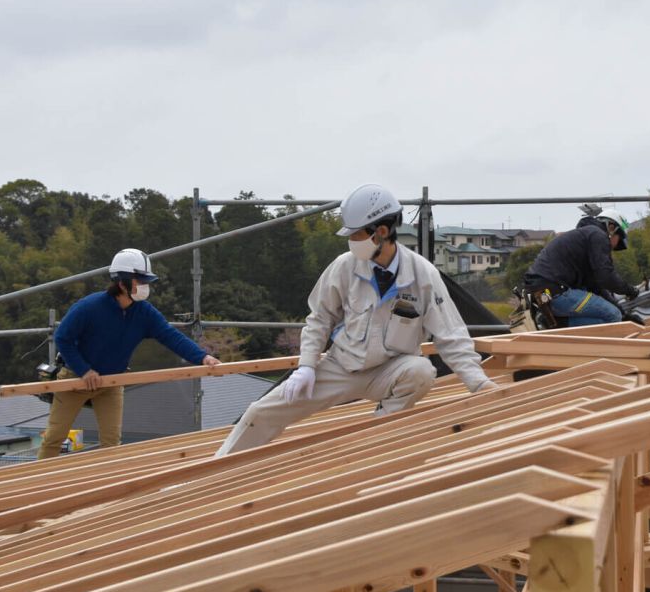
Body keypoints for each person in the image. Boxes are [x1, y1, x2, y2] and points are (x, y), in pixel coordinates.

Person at [216, 184, 497, 457]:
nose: (352, 241)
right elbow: (320, 318)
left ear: (382, 232)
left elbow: (450, 334)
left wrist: (479, 384)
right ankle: (217, 468)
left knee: (421, 371)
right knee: (260, 413)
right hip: (341, 367)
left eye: (357, 234)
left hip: (389, 370)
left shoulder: (422, 275)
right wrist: (306, 366)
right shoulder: (344, 266)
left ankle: (377, 439)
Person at [37, 249, 221, 459]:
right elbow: (63, 338)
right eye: (140, 281)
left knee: (112, 443)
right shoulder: (89, 307)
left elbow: (171, 336)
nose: (145, 286)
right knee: (54, 437)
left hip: (112, 382)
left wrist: (202, 357)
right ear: (122, 282)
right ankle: (33, 485)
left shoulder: (144, 312)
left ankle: (112, 487)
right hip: (75, 380)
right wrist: (84, 370)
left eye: (146, 281)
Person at [523, 207, 640, 327]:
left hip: (543, 294)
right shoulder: (598, 235)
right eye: (619, 238)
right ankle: (557, 324)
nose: (614, 247)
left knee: (611, 318)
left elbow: (595, 287)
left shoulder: (585, 238)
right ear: (611, 228)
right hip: (555, 292)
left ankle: (557, 323)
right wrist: (629, 290)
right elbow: (606, 277)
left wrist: (624, 315)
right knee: (613, 316)